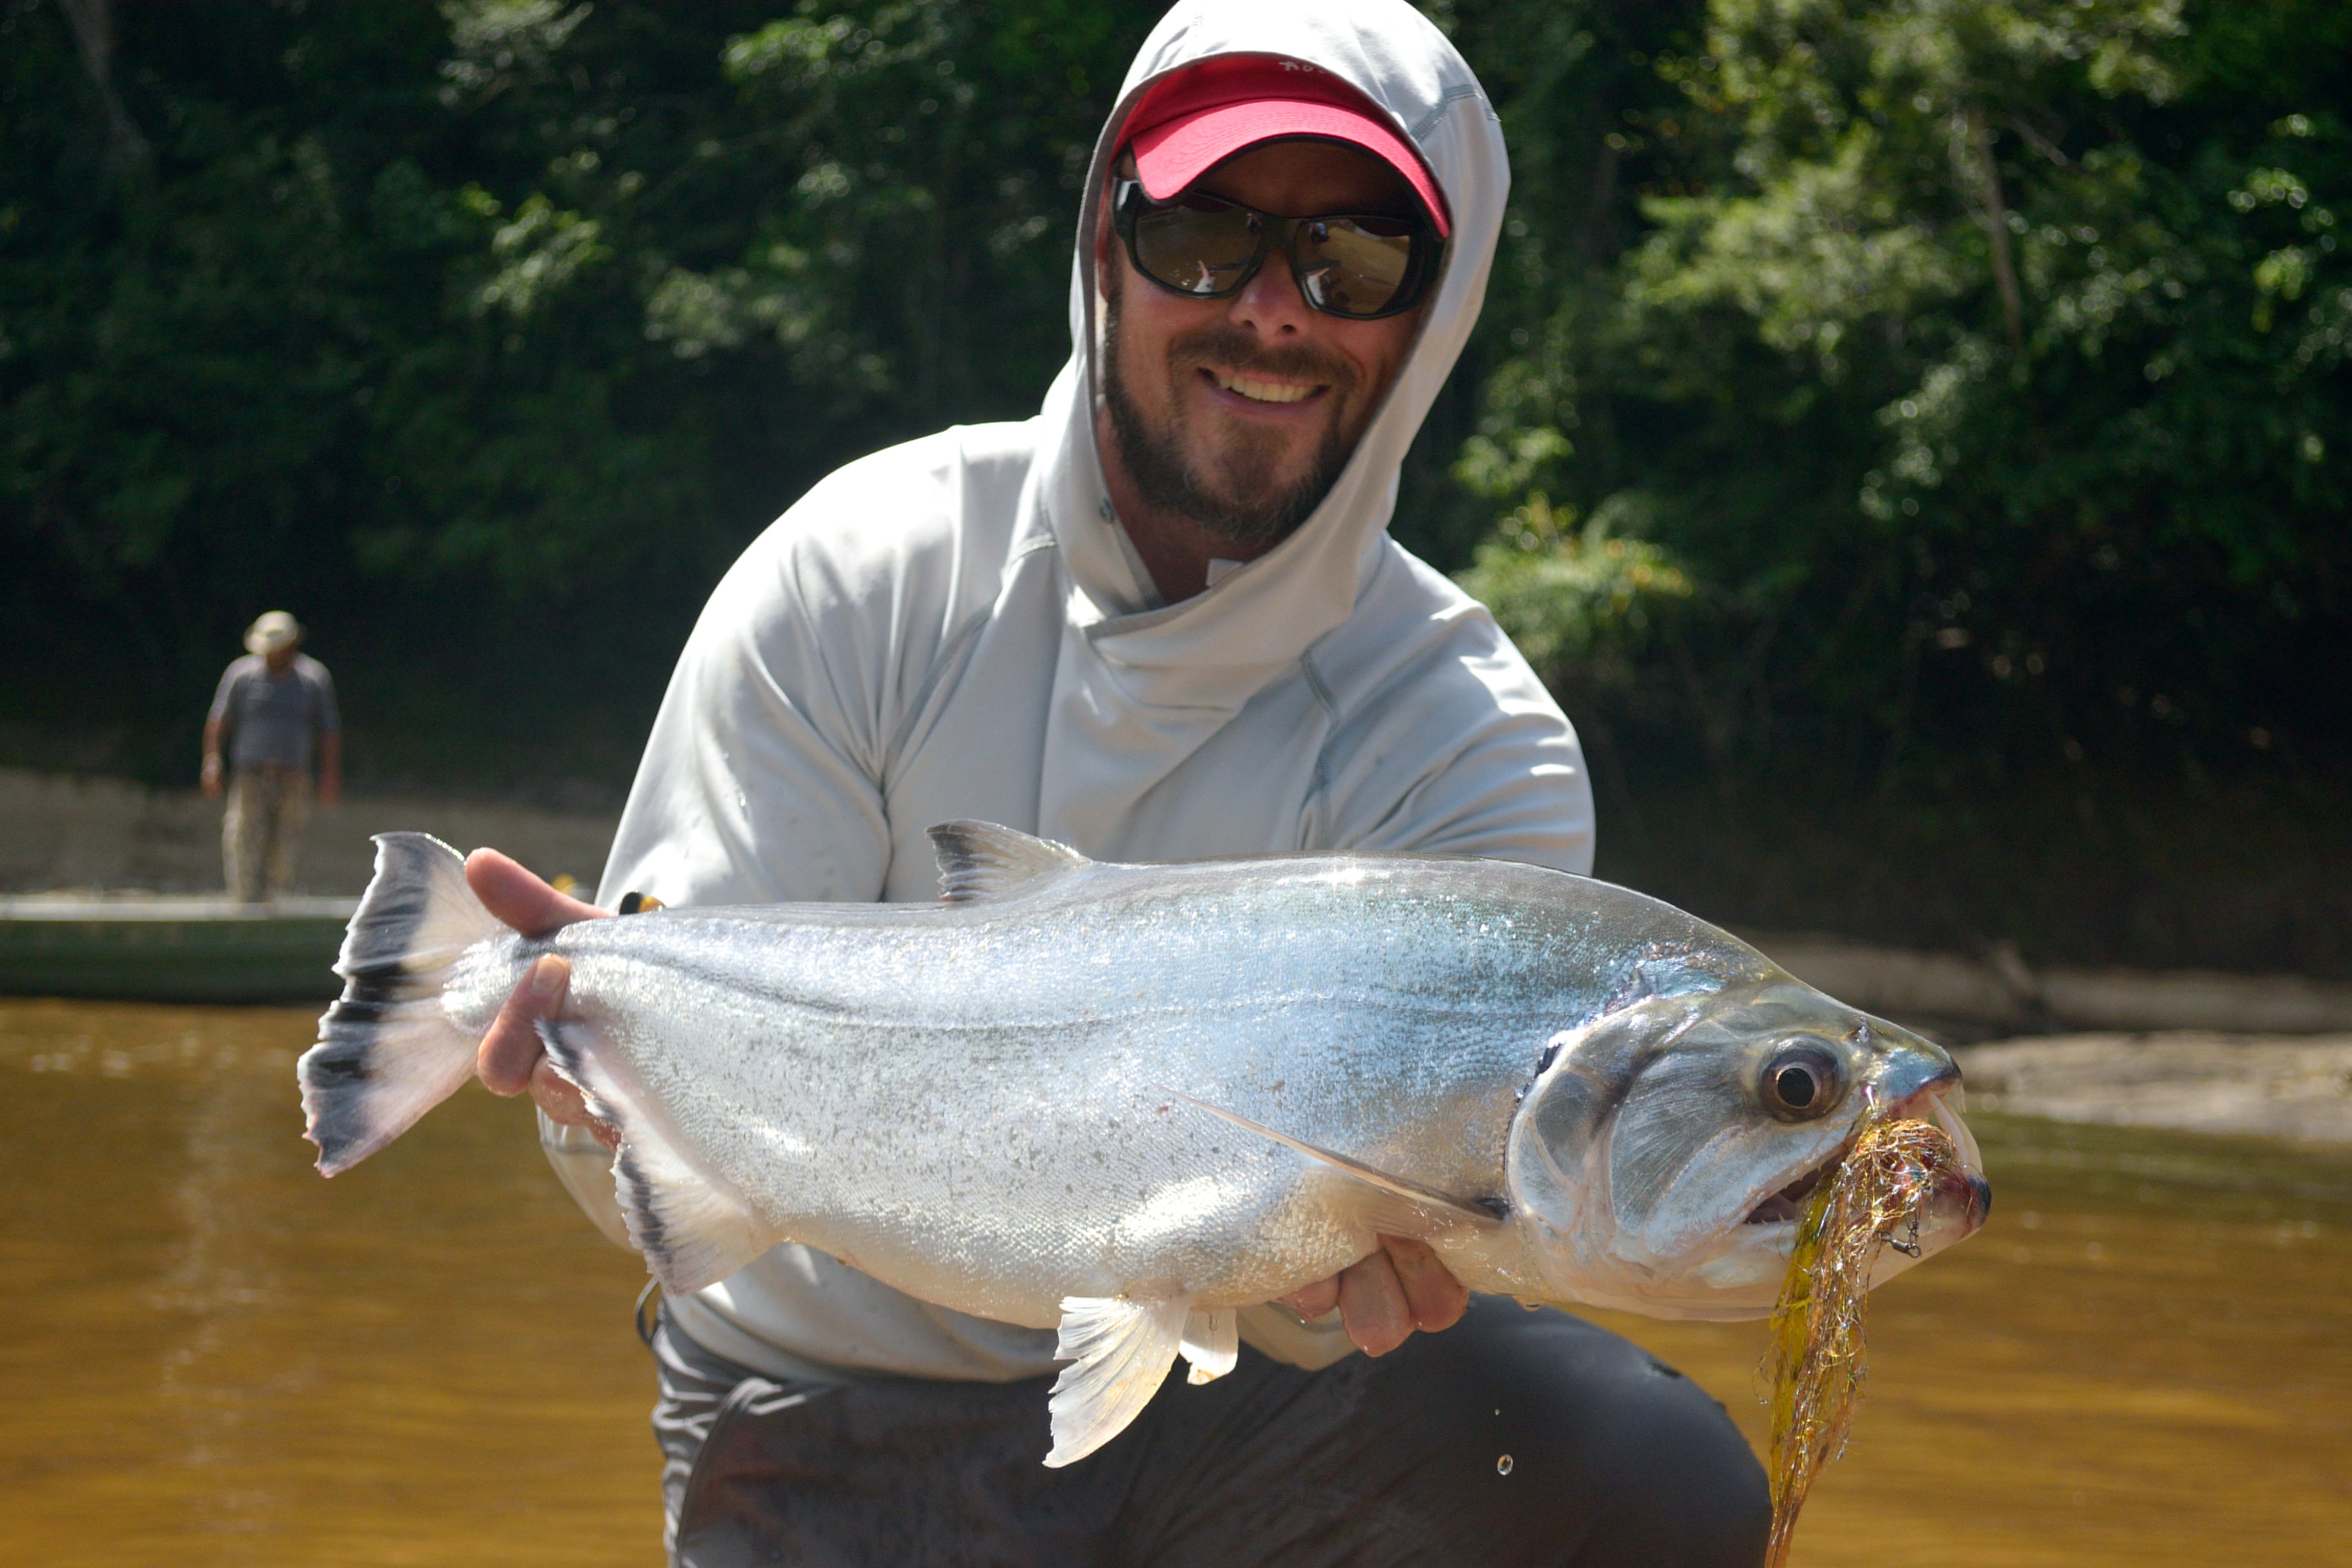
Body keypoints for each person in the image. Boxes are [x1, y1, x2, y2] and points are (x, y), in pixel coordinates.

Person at [467, 2, 1769, 1562]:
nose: (1275, 311)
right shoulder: (858, 578)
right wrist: (598, 1095)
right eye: (1207, 237)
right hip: (822, 1402)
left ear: (1437, 310)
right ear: (1107, 243)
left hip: (1254, 1410)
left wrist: (1334, 1282)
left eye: (1355, 260)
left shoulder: (1469, 738)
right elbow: (662, 1163)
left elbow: (1428, 1263)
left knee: (1652, 1477)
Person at [201, 610, 341, 902]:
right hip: (250, 775)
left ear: (291, 646)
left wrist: (329, 775)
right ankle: (243, 901)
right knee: (242, 840)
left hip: (294, 776)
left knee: (287, 843)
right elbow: (219, 721)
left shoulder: (313, 679)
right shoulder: (241, 675)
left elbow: (328, 731)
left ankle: (276, 901)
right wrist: (212, 761)